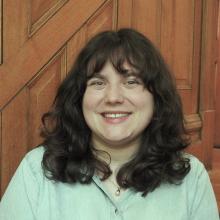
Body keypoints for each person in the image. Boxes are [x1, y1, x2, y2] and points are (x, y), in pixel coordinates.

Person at [0, 28, 219, 220]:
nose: (113, 97)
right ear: (80, 97)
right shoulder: (37, 171)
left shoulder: (191, 178)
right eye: (98, 82)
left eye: (131, 82)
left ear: (156, 97)